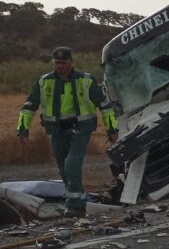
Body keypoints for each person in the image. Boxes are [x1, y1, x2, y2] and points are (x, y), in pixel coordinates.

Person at [16, 46, 118, 217]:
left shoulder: (87, 80)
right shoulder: (43, 81)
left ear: (71, 62)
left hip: (81, 128)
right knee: (63, 168)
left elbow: (105, 106)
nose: (61, 66)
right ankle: (75, 198)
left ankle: (75, 207)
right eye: (57, 63)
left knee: (72, 163)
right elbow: (29, 106)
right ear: (53, 62)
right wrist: (22, 129)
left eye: (64, 62)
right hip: (57, 130)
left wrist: (111, 129)